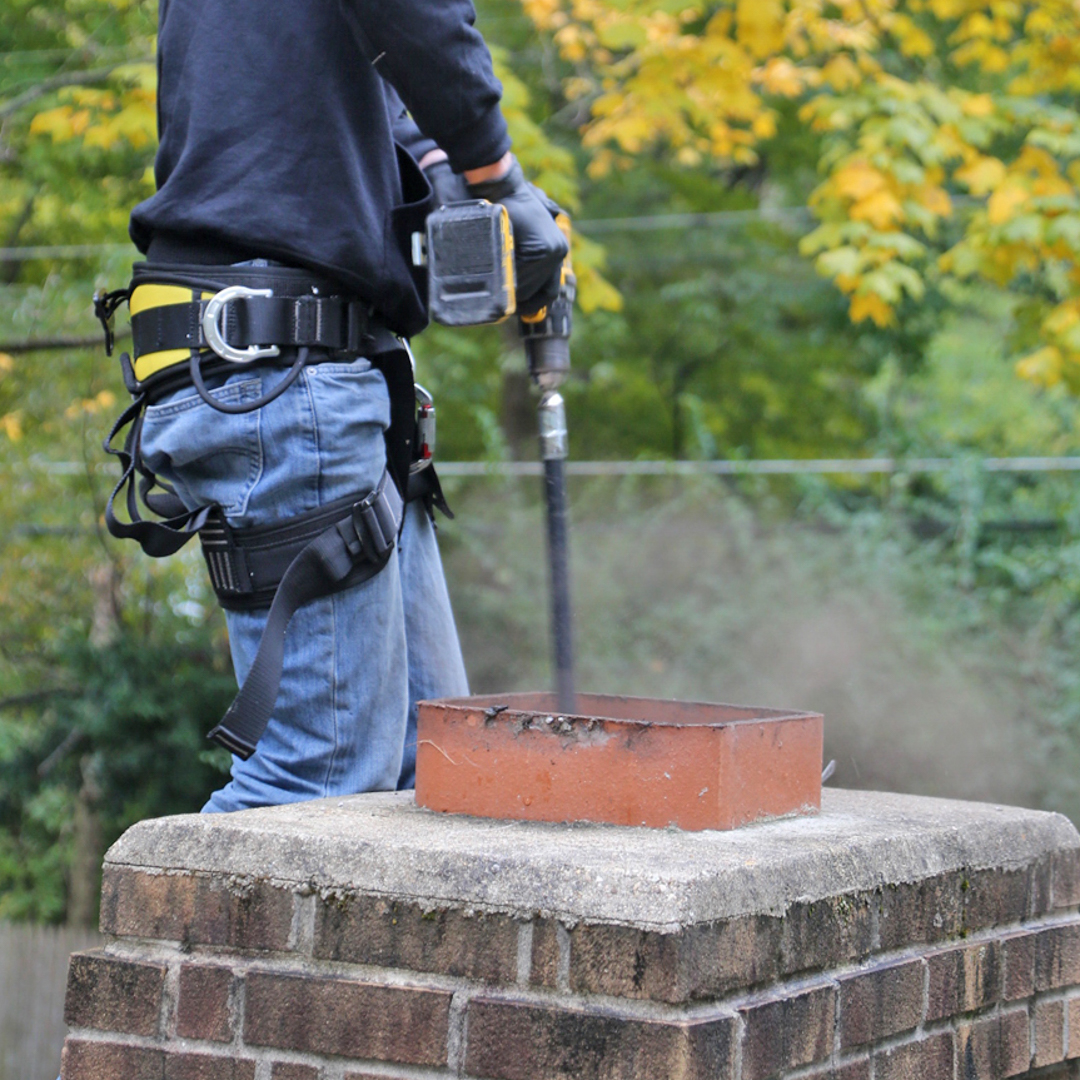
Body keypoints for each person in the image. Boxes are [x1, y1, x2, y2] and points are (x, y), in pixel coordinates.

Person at [113, 0, 569, 811]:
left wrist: (436, 162)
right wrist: (496, 172)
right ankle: (166, 901)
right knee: (315, 783)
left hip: (313, 371)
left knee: (434, 771)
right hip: (282, 368)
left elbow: (313, 88)